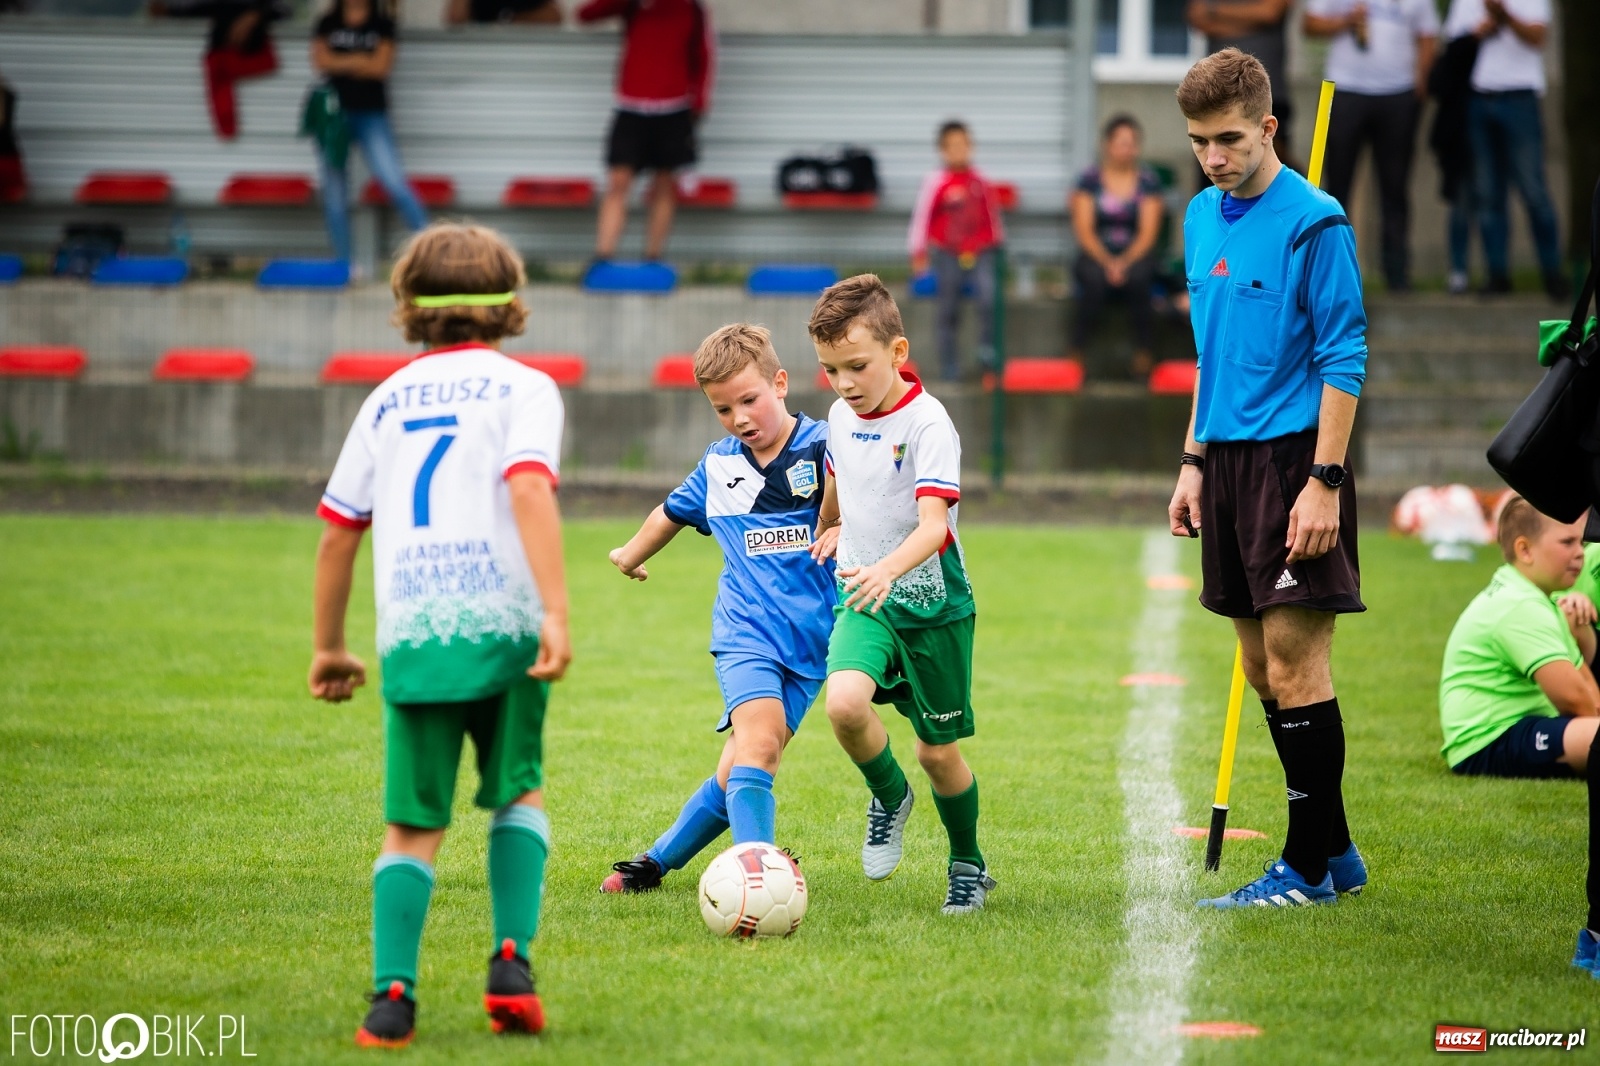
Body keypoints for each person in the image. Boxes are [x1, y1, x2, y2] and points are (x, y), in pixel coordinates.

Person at [307, 223, 570, 1046]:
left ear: (410, 309)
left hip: (415, 632)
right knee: (516, 792)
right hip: (506, 629)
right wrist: (556, 611)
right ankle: (509, 964)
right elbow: (529, 488)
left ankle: (392, 999)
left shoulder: (384, 399)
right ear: (509, 303)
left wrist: (329, 645)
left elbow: (338, 530)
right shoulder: (525, 387)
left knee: (412, 825)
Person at [1167, 49, 1371, 909]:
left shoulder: (1316, 221)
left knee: (1296, 665)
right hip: (1224, 465)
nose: (1215, 158)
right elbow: (1210, 360)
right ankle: (1340, 847)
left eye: (1230, 140)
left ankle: (1307, 870)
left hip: (1295, 462)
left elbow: (1345, 356)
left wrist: (1324, 479)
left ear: (1268, 127)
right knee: (1259, 668)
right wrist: (1190, 462)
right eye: (1199, 143)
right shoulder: (1197, 216)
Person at [599, 324, 836, 892]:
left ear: (780, 384)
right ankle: (757, 874)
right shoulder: (719, 467)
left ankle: (654, 864)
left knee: (741, 767)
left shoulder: (827, 446)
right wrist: (629, 554)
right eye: (723, 409)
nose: (740, 418)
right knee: (758, 745)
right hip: (745, 633)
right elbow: (670, 512)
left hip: (811, 645)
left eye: (749, 400)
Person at [806, 274, 994, 915]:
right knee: (843, 705)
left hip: (932, 605)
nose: (844, 383)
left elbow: (934, 527)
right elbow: (839, 472)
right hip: (864, 594)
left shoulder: (929, 424)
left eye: (856, 366)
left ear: (898, 352)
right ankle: (889, 797)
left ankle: (966, 861)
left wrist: (889, 567)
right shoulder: (838, 414)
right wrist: (830, 522)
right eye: (830, 370)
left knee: (936, 752)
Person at [1440, 499, 1600, 779]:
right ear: (1525, 550)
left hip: (1519, 727)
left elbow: (1584, 685)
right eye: (1567, 543)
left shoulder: (1533, 596)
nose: (1580, 554)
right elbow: (1578, 701)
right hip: (1489, 740)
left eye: (1581, 544)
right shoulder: (1519, 606)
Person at [1303, 0, 1439, 293]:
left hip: (1398, 94)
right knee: (1336, 189)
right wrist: (1345, 21)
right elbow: (1309, 24)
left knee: (1395, 187)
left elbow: (1428, 35)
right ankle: (1330, 273)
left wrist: (1421, 84)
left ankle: (1397, 272)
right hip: (1342, 90)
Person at [577, 0, 714, 268]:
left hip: (674, 108)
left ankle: (653, 258)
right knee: (618, 181)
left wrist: (699, 103)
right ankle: (604, 257)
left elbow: (704, 57)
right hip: (631, 106)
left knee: (664, 185)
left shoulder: (691, 9)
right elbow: (586, 15)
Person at [1442, 0, 1565, 299]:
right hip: (1478, 99)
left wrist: (1504, 15)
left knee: (1534, 191)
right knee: (1487, 194)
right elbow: (1453, 46)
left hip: (1521, 98)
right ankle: (1497, 274)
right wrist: (1481, 31)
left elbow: (1538, 36)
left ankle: (1552, 274)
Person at [310, 0, 429, 266]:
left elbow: (380, 67)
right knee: (334, 193)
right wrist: (361, 60)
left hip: (371, 114)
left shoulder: (382, 24)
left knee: (394, 181)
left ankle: (433, 250)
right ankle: (344, 265)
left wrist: (340, 62)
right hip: (333, 115)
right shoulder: (328, 22)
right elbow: (321, 61)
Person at [908, 120, 1006, 382]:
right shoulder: (936, 182)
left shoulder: (980, 182)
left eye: (963, 145)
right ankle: (949, 364)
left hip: (981, 254)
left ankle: (988, 350)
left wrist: (988, 245)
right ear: (942, 150)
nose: (958, 151)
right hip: (947, 254)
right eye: (952, 146)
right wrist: (918, 254)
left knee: (989, 295)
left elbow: (993, 222)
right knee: (948, 307)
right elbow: (921, 219)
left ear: (971, 147)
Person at [1069, 115, 1165, 379]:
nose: (1127, 148)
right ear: (1107, 145)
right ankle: (1077, 350)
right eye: (1121, 142)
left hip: (1136, 254)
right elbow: (1084, 231)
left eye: (1132, 143)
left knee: (1141, 279)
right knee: (1093, 280)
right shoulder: (1088, 180)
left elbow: (1148, 233)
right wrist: (1107, 261)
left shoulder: (1148, 181)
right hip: (1096, 253)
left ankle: (1144, 352)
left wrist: (1124, 261)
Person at [1186, 0, 1296, 166]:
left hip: (1267, 91)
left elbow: (1269, 12)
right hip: (1216, 91)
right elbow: (1198, 17)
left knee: (1269, 166)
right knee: (1214, 164)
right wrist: (1252, 24)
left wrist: (1214, 10)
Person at [446, 0, 559, 24]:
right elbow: (455, 17)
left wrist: (508, 20)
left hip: (526, 51)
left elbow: (554, 16)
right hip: (481, 52)